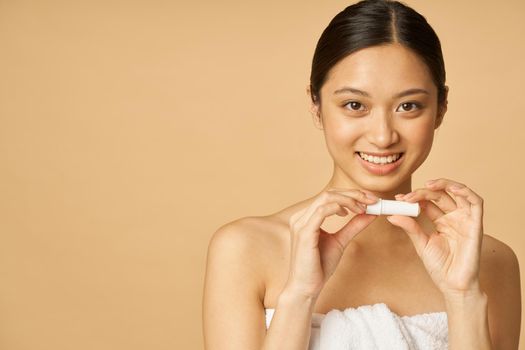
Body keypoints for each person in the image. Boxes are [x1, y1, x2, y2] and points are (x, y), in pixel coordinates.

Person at [202, 0, 522, 349]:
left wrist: (463, 297)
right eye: (355, 105)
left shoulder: (490, 263)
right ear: (316, 105)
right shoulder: (244, 250)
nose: (383, 135)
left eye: (409, 106)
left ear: (441, 108)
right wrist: (299, 296)